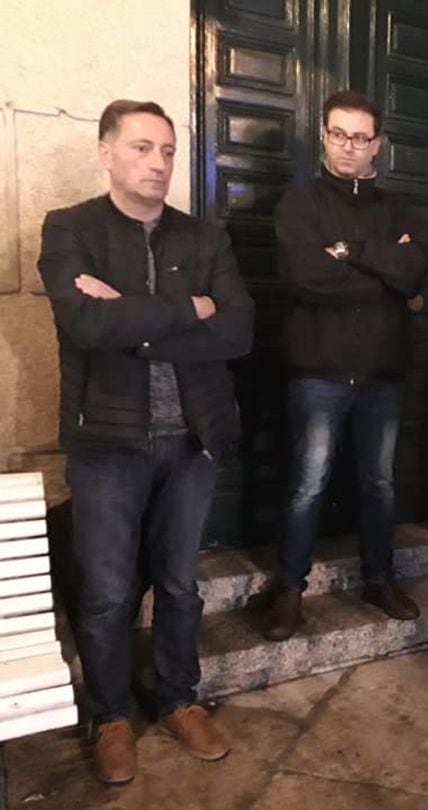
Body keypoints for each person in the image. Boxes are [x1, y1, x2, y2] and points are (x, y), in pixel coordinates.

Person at [38, 100, 254, 785]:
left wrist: (129, 314)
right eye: (141, 148)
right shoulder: (69, 229)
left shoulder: (205, 237)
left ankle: (179, 698)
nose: (158, 163)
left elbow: (240, 331)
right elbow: (85, 328)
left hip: (193, 441)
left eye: (166, 150)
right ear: (106, 153)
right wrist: (192, 309)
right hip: (106, 445)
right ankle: (109, 717)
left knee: (181, 586)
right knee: (104, 591)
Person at [265, 90, 428, 640]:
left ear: (377, 145)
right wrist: (384, 273)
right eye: (339, 134)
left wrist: (350, 250)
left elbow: (415, 271)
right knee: (307, 486)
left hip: (382, 374)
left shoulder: (400, 210)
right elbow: (305, 278)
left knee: (379, 484)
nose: (348, 147)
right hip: (317, 373)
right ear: (323, 136)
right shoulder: (299, 204)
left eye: (360, 138)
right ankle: (289, 590)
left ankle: (378, 578)